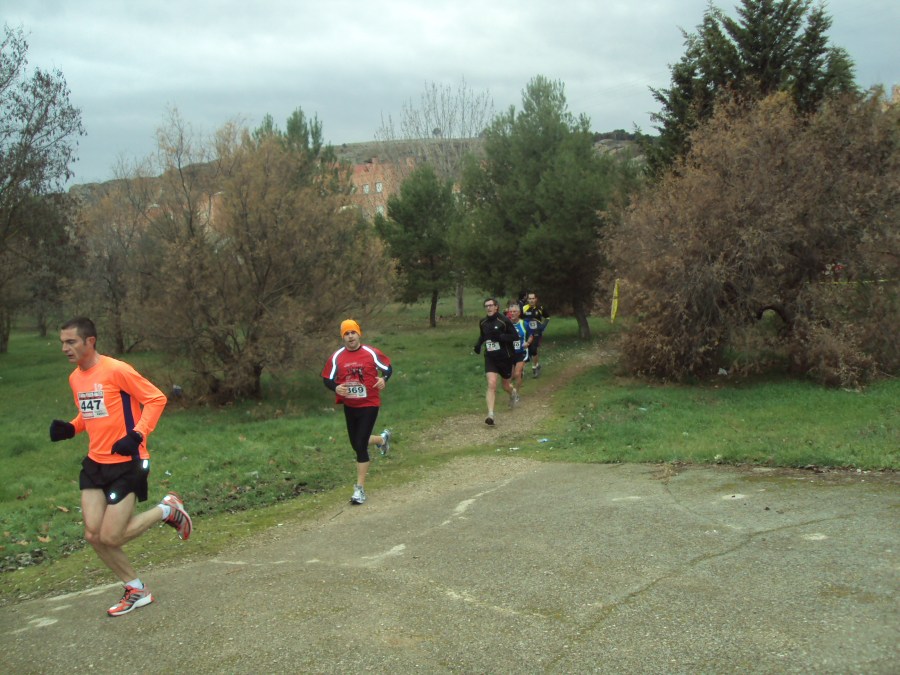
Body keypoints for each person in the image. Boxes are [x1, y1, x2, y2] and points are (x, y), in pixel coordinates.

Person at [49, 317, 192, 617]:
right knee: (93, 535)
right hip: (95, 463)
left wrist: (137, 434)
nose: (65, 348)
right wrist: (71, 428)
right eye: (63, 342)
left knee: (111, 536)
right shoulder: (75, 378)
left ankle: (167, 510)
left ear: (90, 341)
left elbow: (156, 399)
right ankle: (136, 589)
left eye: (71, 342)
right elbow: (90, 414)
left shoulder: (117, 370)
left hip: (128, 463)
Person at [321, 319, 393, 505]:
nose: (350, 336)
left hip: (369, 403)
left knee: (360, 445)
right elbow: (327, 378)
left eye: (353, 332)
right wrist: (336, 387)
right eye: (346, 333)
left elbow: (387, 368)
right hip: (350, 405)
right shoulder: (337, 357)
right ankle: (382, 439)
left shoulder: (371, 352)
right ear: (342, 337)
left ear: (359, 334)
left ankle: (359, 489)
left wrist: (384, 379)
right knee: (356, 443)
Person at [474, 297, 518, 425]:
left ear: (496, 307)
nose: (488, 308)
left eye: (490, 305)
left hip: (505, 358)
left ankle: (512, 392)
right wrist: (478, 345)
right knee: (492, 384)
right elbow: (483, 335)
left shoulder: (504, 321)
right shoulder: (483, 322)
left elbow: (515, 337)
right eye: (486, 306)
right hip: (490, 357)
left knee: (505, 385)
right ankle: (490, 415)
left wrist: (501, 337)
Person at [522, 291, 550, 378]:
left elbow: (547, 317)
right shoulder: (524, 308)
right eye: (529, 299)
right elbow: (520, 319)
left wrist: (543, 326)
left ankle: (534, 368)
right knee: (526, 349)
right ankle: (525, 368)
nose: (531, 300)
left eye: (533, 298)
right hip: (527, 332)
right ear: (527, 300)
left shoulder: (540, 308)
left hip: (536, 332)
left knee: (533, 349)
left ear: (536, 299)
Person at [507, 302, 532, 395]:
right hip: (510, 353)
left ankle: (516, 393)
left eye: (514, 311)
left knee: (517, 373)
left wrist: (527, 343)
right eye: (511, 312)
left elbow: (531, 336)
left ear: (519, 313)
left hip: (521, 352)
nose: (512, 313)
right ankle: (512, 393)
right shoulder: (506, 324)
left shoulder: (524, 324)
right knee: (510, 376)